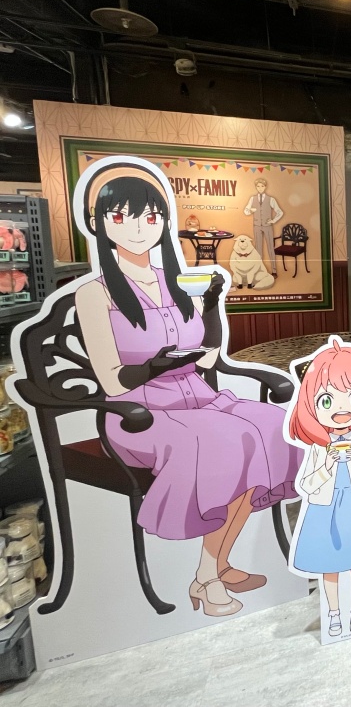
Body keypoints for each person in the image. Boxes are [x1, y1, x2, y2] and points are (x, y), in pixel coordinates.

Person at [73, 160, 300, 617]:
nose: (139, 227)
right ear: (100, 224)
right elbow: (111, 379)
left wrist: (211, 306)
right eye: (122, 216)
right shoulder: (95, 293)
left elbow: (208, 357)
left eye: (150, 216)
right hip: (136, 412)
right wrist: (152, 368)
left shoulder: (175, 282)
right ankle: (207, 577)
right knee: (226, 440)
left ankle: (217, 563)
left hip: (197, 396)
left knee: (272, 424)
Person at [287, 340, 351, 638]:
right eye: (326, 401)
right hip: (325, 511)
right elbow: (306, 485)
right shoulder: (319, 447)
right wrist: (326, 467)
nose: (342, 410)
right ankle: (333, 613)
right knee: (330, 566)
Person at [243, 177, 284, 276]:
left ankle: (274, 270)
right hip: (257, 226)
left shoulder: (271, 199)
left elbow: (280, 212)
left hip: (267, 226)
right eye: (258, 186)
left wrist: (273, 220)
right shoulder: (252, 198)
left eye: (262, 186)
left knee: (270, 248)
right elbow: (246, 211)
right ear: (256, 187)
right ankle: (259, 270)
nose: (260, 188)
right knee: (258, 249)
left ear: (265, 187)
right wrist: (251, 210)